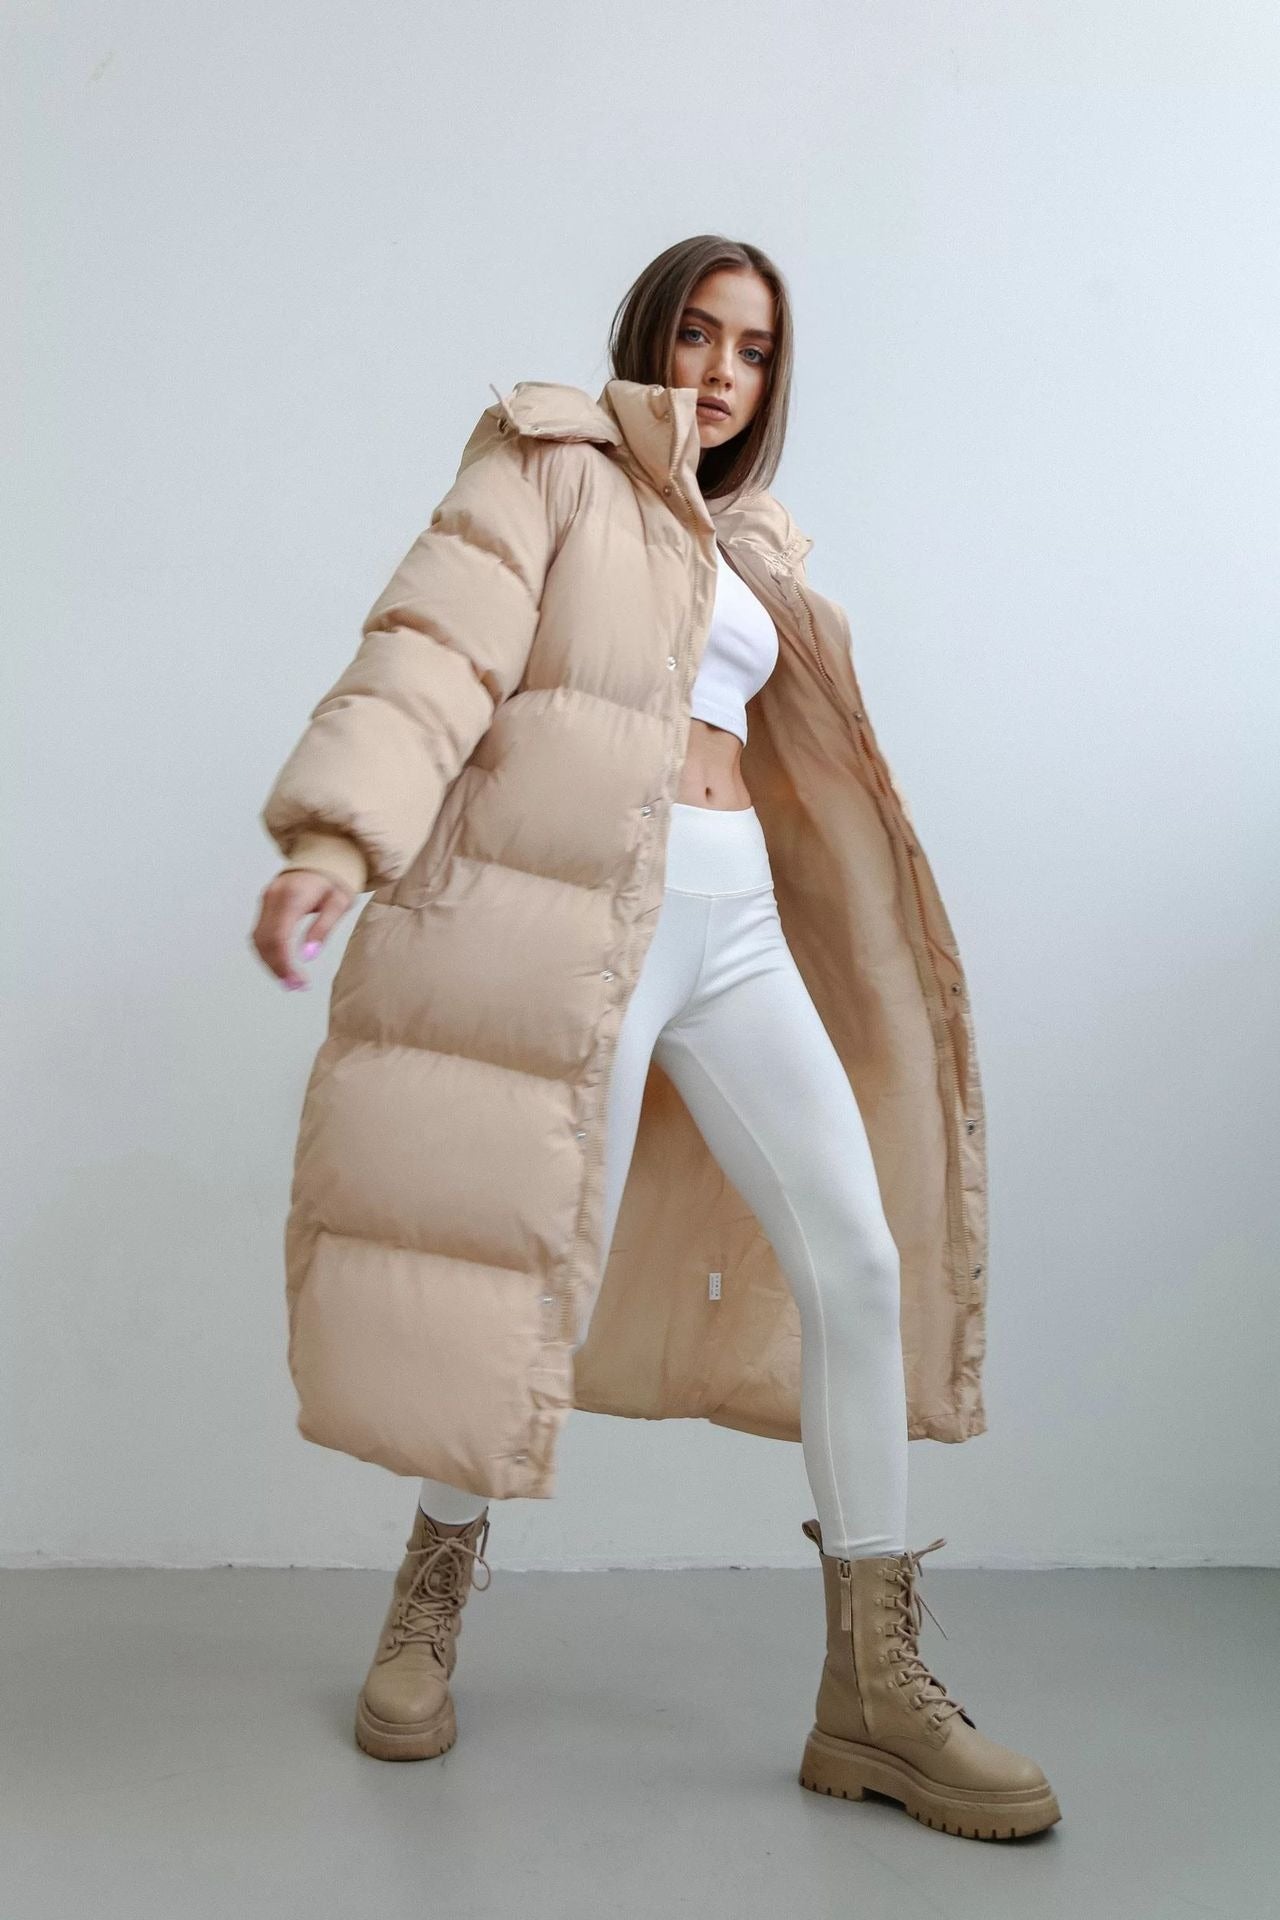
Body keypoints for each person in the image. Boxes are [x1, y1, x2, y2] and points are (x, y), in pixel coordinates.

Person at [250, 234, 1060, 1838]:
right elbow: (430, 652)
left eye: (753, 350)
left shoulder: (751, 541)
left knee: (859, 1261)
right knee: (531, 1263)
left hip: (737, 921)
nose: (721, 371)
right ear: (648, 335)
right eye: (698, 333)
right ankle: (430, 1594)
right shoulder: (548, 463)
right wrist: (331, 843)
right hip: (587, 921)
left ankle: (872, 1687)